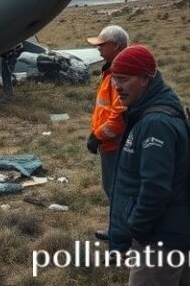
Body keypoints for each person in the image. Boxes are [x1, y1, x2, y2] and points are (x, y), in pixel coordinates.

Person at [108, 45, 190, 286]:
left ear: (144, 79)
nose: (117, 87)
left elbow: (155, 188)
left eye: (123, 79)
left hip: (161, 237)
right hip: (173, 230)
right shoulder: (148, 113)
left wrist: (137, 230)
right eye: (114, 80)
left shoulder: (155, 123)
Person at [86, 24, 129, 240]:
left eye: (103, 45)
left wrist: (98, 136)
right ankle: (117, 231)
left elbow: (119, 116)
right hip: (109, 143)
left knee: (117, 191)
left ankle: (120, 239)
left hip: (115, 145)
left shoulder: (119, 74)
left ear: (116, 46)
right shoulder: (112, 71)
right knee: (114, 190)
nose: (99, 49)